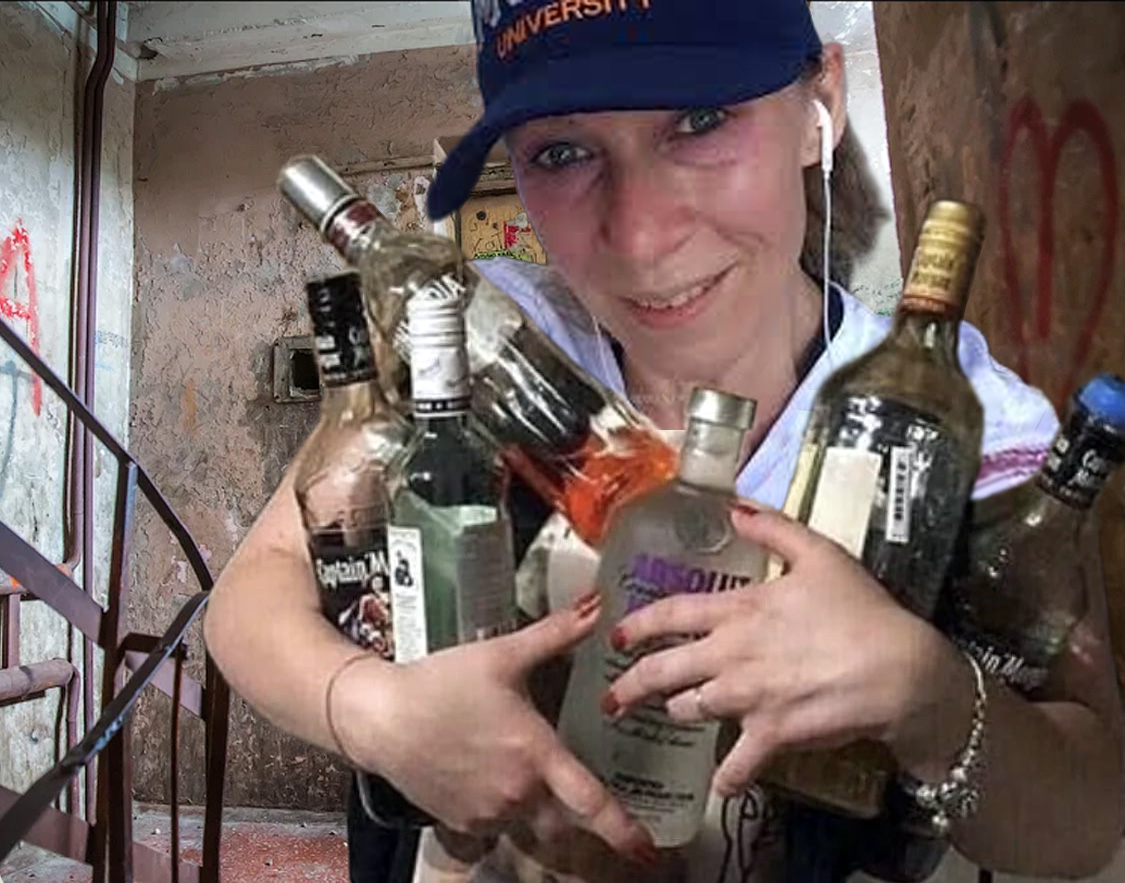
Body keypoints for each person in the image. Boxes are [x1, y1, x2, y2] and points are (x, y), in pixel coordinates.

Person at [202, 2, 1124, 882]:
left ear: (821, 106)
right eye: (562, 152)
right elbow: (255, 592)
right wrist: (373, 711)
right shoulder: (488, 342)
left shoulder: (962, 423)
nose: (641, 236)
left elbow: (1086, 813)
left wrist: (927, 692)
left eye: (702, 119)